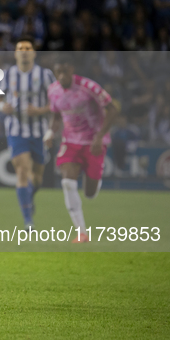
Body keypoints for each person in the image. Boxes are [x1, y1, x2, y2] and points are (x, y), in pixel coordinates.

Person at [44, 55, 119, 243]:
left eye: (64, 71)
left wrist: (100, 137)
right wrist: (50, 133)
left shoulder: (89, 87)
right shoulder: (53, 91)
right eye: (57, 72)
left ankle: (94, 180)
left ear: (72, 70)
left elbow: (113, 109)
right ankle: (82, 232)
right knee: (67, 183)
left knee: (89, 193)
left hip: (93, 141)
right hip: (70, 141)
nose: (61, 76)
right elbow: (56, 116)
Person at [0, 35, 54, 230]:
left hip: (39, 131)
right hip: (16, 130)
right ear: (16, 53)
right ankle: (28, 220)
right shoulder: (8, 74)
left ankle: (28, 198)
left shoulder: (45, 75)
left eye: (28, 48)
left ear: (34, 53)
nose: (24, 51)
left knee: (37, 177)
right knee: (22, 170)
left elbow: (56, 102)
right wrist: (2, 106)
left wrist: (40, 111)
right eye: (21, 48)